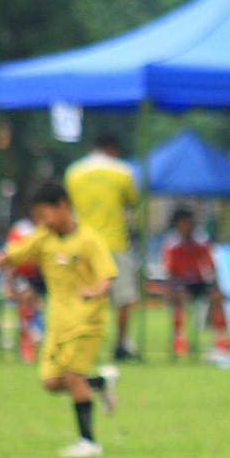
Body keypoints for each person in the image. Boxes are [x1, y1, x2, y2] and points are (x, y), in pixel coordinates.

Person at [0, 182, 119, 458]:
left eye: (45, 215)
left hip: (87, 320)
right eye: (38, 217)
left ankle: (88, 441)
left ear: (63, 206)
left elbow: (107, 277)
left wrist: (95, 290)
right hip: (57, 322)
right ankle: (100, 383)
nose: (41, 222)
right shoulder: (43, 237)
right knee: (52, 383)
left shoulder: (90, 239)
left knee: (72, 375)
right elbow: (15, 253)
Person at [64, 133, 140, 361]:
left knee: (84, 296)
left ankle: (82, 343)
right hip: (115, 242)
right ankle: (120, 343)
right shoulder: (123, 171)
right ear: (114, 149)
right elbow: (132, 202)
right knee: (123, 298)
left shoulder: (74, 172)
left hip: (83, 243)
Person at [162, 207, 230, 359]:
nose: (188, 225)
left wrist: (216, 286)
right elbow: (169, 271)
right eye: (184, 222)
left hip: (199, 282)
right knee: (180, 296)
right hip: (181, 283)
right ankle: (179, 338)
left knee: (216, 297)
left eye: (190, 222)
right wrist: (169, 289)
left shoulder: (201, 241)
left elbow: (211, 267)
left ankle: (220, 339)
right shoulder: (172, 244)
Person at [5, 216, 46, 363]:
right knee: (25, 310)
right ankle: (28, 345)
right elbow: (12, 263)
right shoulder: (22, 232)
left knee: (33, 307)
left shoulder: (43, 234)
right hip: (25, 279)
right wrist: (9, 285)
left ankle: (35, 339)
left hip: (37, 278)